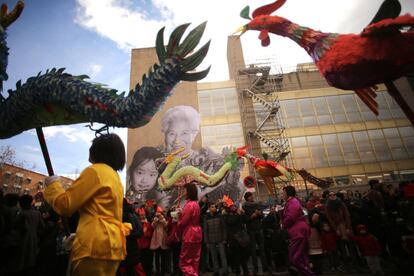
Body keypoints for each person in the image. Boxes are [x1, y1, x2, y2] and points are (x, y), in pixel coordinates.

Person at [44, 133, 131, 276]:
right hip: (112, 245)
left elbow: (65, 205)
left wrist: (53, 185)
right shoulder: (114, 176)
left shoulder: (95, 171)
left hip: (93, 246)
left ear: (99, 150)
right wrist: (80, 235)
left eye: (92, 145)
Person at [159, 105, 244, 205]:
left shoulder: (211, 160)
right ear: (165, 134)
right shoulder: (158, 164)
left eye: (184, 133)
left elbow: (238, 190)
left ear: (194, 134)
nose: (177, 140)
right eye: (172, 133)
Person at [281, 185, 314, 276]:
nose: (282, 194)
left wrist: (283, 225)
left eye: (283, 192)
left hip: (298, 232)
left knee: (294, 257)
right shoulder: (291, 202)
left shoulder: (293, 202)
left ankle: (309, 274)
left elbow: (291, 217)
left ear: (288, 193)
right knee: (302, 257)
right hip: (299, 231)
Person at [176, 181, 202, 276]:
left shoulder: (189, 205)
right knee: (195, 260)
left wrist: (178, 218)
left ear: (189, 192)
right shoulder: (196, 204)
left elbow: (183, 222)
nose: (184, 193)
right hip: (197, 233)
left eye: (185, 190)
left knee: (185, 262)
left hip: (189, 234)